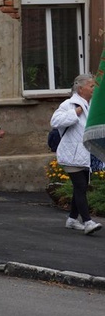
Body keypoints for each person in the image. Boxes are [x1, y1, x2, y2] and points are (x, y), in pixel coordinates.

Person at [51, 73, 102, 235]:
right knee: (80, 186)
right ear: (81, 89)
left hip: (85, 154)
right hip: (71, 154)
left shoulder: (92, 105)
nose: (94, 89)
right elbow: (55, 121)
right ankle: (87, 222)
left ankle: (72, 219)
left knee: (81, 187)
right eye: (91, 86)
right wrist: (75, 113)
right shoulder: (69, 104)